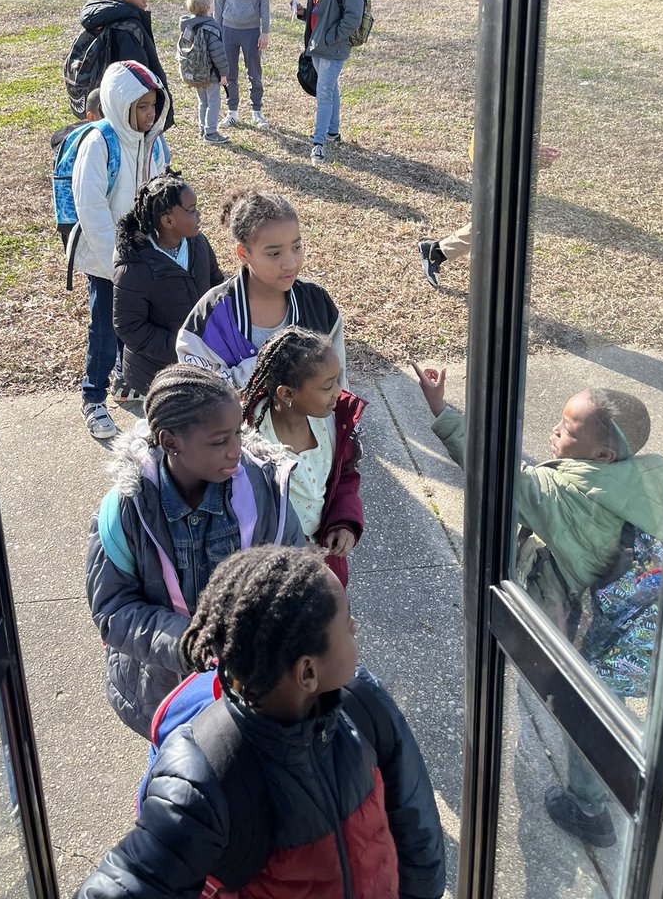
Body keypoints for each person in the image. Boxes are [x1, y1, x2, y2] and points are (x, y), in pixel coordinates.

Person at [74, 545, 446, 899]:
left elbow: (415, 820)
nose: (356, 627)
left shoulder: (363, 702)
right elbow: (130, 880)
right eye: (347, 623)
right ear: (308, 673)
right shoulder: (206, 775)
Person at [412, 363, 663, 846]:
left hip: (596, 630)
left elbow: (501, 472)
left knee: (584, 713)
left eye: (567, 428)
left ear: (604, 453)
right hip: (652, 623)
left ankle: (588, 809)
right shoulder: (651, 477)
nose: (554, 429)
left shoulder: (568, 497)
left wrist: (442, 410)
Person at [85, 365, 306, 738]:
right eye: (219, 441)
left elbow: (296, 575)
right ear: (170, 442)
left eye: (237, 432)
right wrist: (189, 644)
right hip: (164, 692)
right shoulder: (125, 511)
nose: (236, 449)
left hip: (252, 684)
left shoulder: (263, 491)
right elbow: (114, 609)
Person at [70, 60, 170, 439]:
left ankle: (122, 376)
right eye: (141, 107)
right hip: (105, 259)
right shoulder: (99, 143)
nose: (149, 114)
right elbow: (91, 207)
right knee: (105, 327)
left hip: (142, 254)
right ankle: (92, 398)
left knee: (134, 321)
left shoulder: (155, 142)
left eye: (153, 106)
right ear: (120, 104)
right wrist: (116, 261)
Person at [176, 189, 345, 389]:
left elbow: (338, 383)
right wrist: (271, 367)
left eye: (296, 247)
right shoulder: (211, 315)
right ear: (243, 253)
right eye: (274, 253)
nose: (290, 263)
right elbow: (200, 396)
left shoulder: (317, 302)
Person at [241, 326, 365, 585]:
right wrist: (291, 548)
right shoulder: (248, 439)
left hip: (325, 562)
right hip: (273, 571)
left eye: (338, 380)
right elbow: (243, 514)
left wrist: (343, 523)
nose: (339, 393)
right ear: (286, 393)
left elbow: (344, 478)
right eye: (328, 386)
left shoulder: (333, 423)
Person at [112, 171, 224, 398]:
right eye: (191, 210)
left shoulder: (198, 243)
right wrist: (182, 347)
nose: (199, 214)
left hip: (200, 362)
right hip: (157, 374)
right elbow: (129, 327)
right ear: (168, 221)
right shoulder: (134, 267)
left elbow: (216, 283)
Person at [418, 144, 560, 289]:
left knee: (500, 219)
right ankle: (438, 252)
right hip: (494, 159)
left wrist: (532, 149)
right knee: (497, 220)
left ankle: (438, 252)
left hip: (498, 158)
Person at [74, 0, 174, 127]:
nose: (145, 0)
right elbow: (137, 76)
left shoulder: (107, 17)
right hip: (131, 114)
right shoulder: (127, 28)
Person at [296, 0, 363, 165]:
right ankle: (333, 132)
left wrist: (331, 37)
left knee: (324, 93)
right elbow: (320, 12)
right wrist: (303, 13)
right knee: (330, 88)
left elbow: (353, 18)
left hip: (332, 48)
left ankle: (318, 144)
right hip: (316, 45)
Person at [214, 0, 271, 131]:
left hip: (251, 29)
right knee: (229, 72)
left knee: (254, 72)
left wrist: (265, 31)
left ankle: (257, 111)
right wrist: (216, 32)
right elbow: (218, 3)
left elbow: (264, 1)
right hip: (228, 29)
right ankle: (232, 112)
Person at [177, 0, 230, 145]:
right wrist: (224, 74)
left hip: (195, 72)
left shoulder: (189, 26)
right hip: (211, 74)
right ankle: (211, 132)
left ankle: (202, 129)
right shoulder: (211, 28)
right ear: (207, 8)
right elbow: (218, 54)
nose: (213, 4)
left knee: (203, 102)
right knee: (214, 102)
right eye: (212, 2)